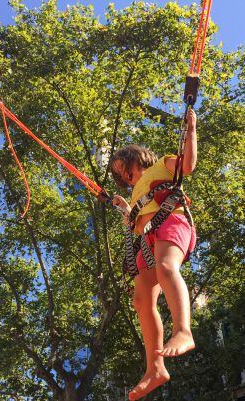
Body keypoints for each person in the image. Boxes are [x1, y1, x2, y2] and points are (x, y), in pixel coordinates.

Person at [110, 108, 197, 401]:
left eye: (124, 166)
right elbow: (135, 222)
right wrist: (127, 210)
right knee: (140, 298)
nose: (122, 174)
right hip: (146, 242)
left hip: (171, 222)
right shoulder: (134, 194)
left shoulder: (161, 165)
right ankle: (155, 367)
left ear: (138, 158)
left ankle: (183, 330)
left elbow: (188, 164)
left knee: (166, 267)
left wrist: (191, 130)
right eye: (119, 174)